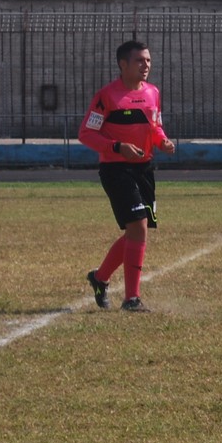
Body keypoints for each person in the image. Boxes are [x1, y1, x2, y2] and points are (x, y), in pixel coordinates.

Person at [82, 40, 177, 313]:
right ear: (123, 65)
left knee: (138, 231)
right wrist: (117, 147)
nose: (145, 65)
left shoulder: (153, 92)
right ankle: (132, 299)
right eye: (139, 61)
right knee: (137, 225)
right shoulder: (107, 96)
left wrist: (163, 142)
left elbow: (155, 127)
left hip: (144, 169)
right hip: (116, 169)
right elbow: (87, 133)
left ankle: (99, 278)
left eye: (148, 60)